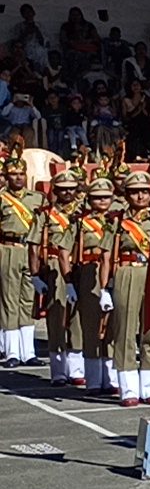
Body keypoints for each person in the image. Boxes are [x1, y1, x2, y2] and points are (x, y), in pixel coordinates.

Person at [101, 171, 150, 406]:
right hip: (127, 271)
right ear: (126, 194)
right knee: (125, 331)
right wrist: (104, 287)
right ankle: (128, 388)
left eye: (144, 191)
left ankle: (149, 387)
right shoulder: (116, 221)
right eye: (135, 192)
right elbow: (107, 256)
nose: (140, 196)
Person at [61, 178, 118, 393]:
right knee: (92, 326)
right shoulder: (80, 222)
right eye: (97, 197)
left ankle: (112, 376)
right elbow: (64, 252)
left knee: (114, 325)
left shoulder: (118, 221)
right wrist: (68, 282)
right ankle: (93, 378)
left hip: (115, 272)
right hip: (89, 272)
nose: (102, 201)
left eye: (106, 197)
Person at [30, 170, 81, 385]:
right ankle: (59, 370)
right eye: (63, 189)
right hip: (53, 267)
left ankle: (78, 369)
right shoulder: (45, 214)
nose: (68, 192)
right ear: (55, 191)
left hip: (79, 266)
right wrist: (35, 276)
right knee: (57, 317)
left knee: (79, 319)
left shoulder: (83, 212)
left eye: (71, 188)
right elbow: (33, 247)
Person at [0, 155, 45, 366]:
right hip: (9, 248)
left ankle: (28, 352)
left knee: (28, 301)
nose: (18, 178)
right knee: (9, 300)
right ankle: (12, 352)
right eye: (13, 175)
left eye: (21, 174)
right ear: (6, 177)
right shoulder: (2, 198)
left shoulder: (37, 198)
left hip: (31, 250)